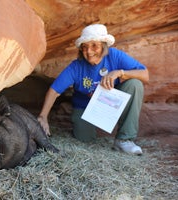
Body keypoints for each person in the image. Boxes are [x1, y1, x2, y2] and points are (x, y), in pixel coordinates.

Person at [37, 24, 149, 155]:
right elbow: (54, 91)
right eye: (84, 47)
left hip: (111, 103)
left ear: (104, 45)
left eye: (94, 45)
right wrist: (43, 117)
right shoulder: (76, 66)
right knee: (85, 139)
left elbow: (145, 74)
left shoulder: (114, 55)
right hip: (85, 107)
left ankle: (124, 140)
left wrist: (120, 72)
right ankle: (78, 121)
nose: (89, 52)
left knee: (135, 84)